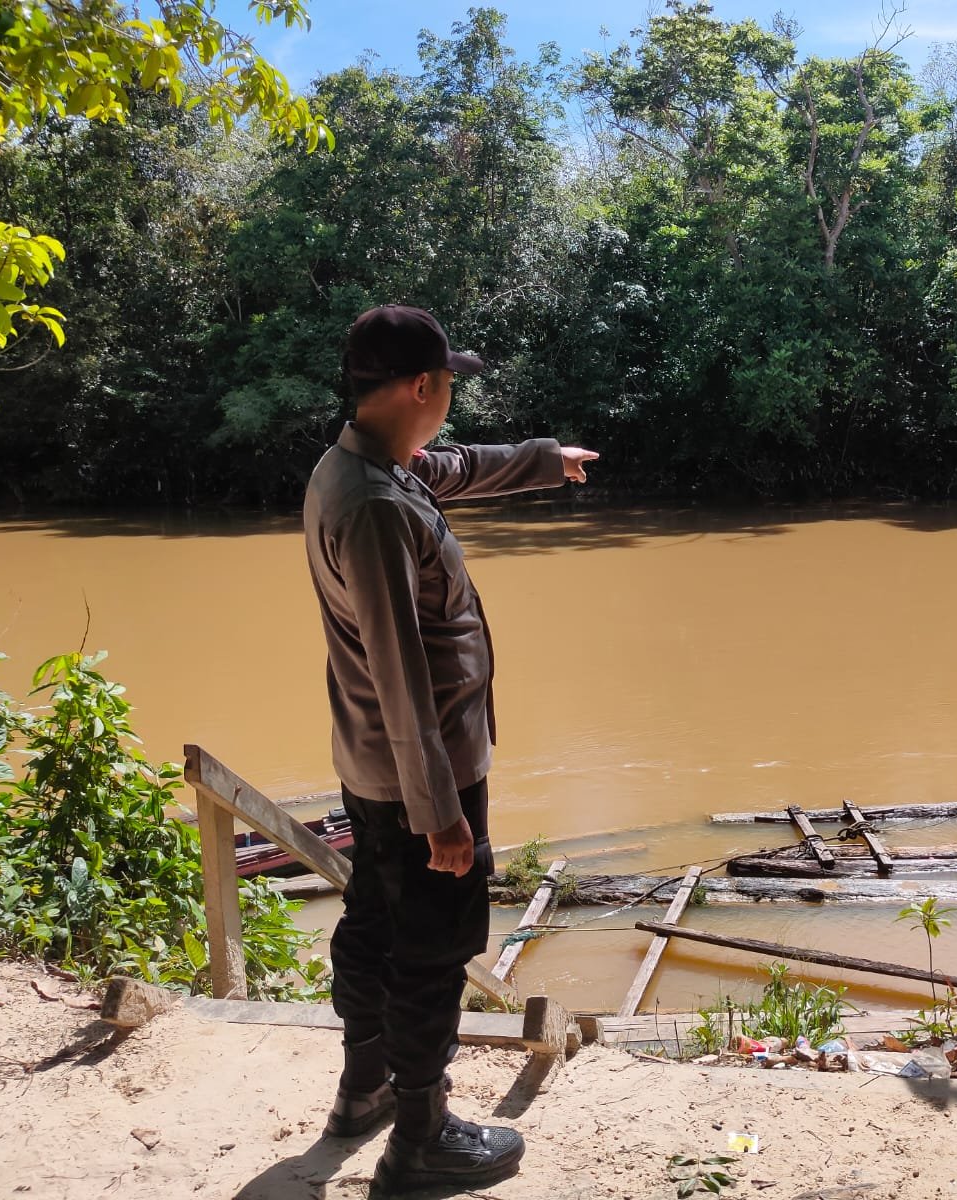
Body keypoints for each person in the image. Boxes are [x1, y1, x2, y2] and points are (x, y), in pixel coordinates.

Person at [303, 304, 596, 1194]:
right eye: (449, 386)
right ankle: (419, 1140)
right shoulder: (375, 510)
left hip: (370, 760)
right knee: (431, 944)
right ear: (422, 386)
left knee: (373, 923)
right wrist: (440, 817)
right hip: (417, 773)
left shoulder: (358, 464)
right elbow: (400, 670)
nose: (450, 407)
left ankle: (367, 1091)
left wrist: (545, 460)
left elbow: (454, 466)